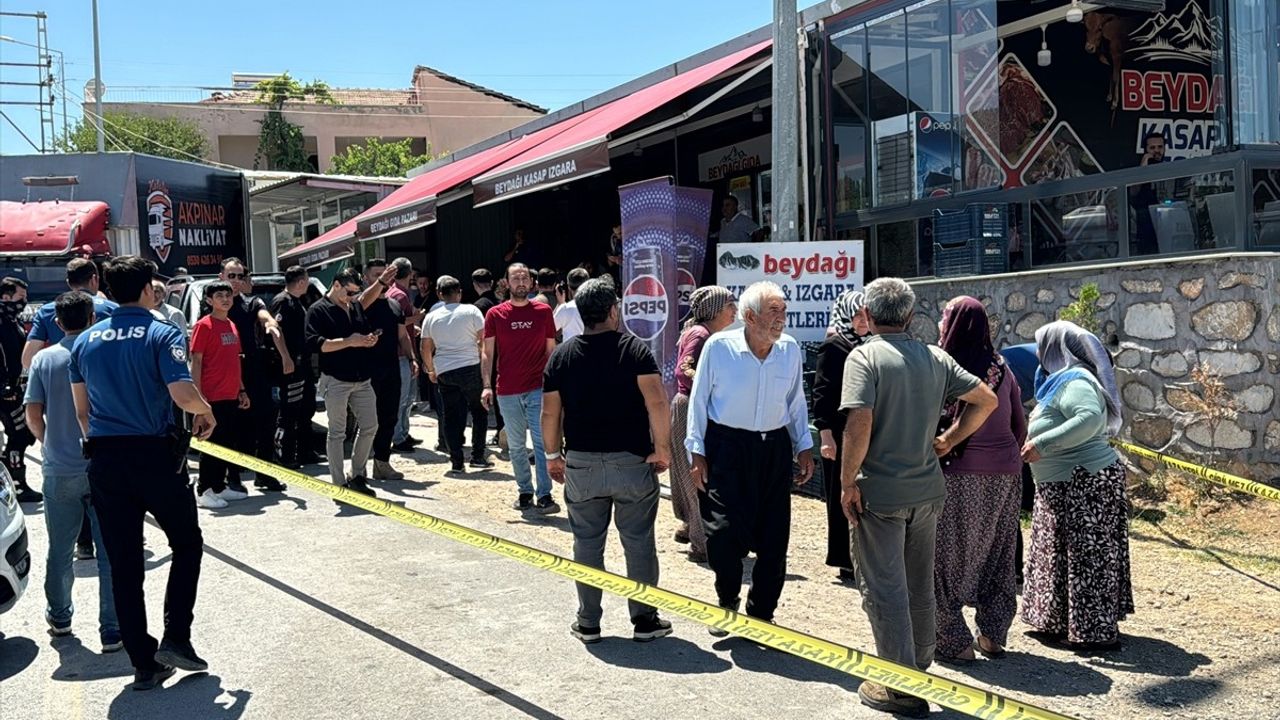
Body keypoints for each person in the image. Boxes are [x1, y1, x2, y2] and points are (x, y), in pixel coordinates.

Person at [837, 277, 998, 719]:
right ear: (910, 317)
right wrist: (948, 438)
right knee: (917, 582)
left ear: (867, 316)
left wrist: (847, 481)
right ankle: (919, 664)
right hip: (928, 491)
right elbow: (985, 399)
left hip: (880, 494)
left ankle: (901, 686)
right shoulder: (935, 357)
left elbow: (859, 424)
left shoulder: (864, 356)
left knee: (885, 589)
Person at [69, 255, 216, 690]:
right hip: (153, 454)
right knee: (187, 543)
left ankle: (143, 661)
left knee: (124, 563)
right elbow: (181, 391)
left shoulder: (85, 340)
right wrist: (205, 412)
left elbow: (81, 410)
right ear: (149, 289)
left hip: (106, 459)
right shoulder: (161, 331)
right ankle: (176, 637)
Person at [542, 278, 674, 643]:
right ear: (614, 311)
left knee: (586, 543)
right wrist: (662, 449)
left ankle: (588, 622)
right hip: (631, 461)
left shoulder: (562, 356)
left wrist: (553, 456)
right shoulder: (635, 350)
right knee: (639, 543)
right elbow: (658, 402)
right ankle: (645, 620)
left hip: (581, 463)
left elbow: (550, 414)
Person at [685, 281, 814, 627]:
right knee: (723, 534)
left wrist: (803, 445)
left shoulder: (789, 349)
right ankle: (727, 598)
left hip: (773, 449)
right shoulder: (718, 347)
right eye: (774, 311)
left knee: (774, 537)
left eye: (783, 311)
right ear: (749, 316)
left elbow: (795, 403)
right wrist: (696, 452)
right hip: (727, 447)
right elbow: (698, 401)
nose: (781, 319)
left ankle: (761, 615)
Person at [1021, 320, 1132, 652]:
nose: (1039, 352)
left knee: (1088, 557)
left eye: (1043, 345)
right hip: (1068, 483)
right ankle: (1058, 622)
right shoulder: (1059, 382)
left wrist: (1044, 444)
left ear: (1059, 350)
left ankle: (1093, 632)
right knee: (1062, 553)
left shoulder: (1077, 380)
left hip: (1084, 481)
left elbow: (1088, 420)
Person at [23, 291, 120, 652]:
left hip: (60, 467)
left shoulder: (45, 360)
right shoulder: (103, 352)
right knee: (111, 551)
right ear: (92, 317)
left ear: (58, 322)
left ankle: (60, 616)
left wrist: (49, 442)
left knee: (60, 549)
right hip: (104, 464)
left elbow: (33, 413)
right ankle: (111, 629)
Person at [932, 296, 1027, 663]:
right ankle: (992, 635)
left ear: (954, 324)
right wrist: (1005, 458)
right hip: (1005, 473)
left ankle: (954, 641)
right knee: (998, 554)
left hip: (958, 473)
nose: (941, 324)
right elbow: (1020, 423)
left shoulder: (946, 367)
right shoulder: (1002, 367)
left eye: (944, 317)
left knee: (947, 557)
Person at [481, 263, 559, 515]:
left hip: (538, 386)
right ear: (506, 283)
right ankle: (525, 491)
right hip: (507, 389)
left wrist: (554, 383)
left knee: (540, 442)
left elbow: (551, 350)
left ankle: (544, 495)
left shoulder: (544, 311)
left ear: (533, 282)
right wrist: (486, 385)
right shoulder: (495, 314)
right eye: (516, 278)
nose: (521, 282)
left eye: (525, 277)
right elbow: (487, 351)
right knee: (515, 445)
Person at [667, 286, 737, 565]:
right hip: (690, 407)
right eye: (729, 305)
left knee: (686, 471)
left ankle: (689, 526)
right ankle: (701, 542)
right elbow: (683, 368)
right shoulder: (701, 334)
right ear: (715, 310)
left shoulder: (708, 333)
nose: (734, 310)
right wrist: (712, 385)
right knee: (694, 472)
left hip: (692, 405)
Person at [305, 268, 381, 498]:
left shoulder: (355, 305)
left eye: (356, 293)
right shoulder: (317, 310)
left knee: (370, 426)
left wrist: (369, 340)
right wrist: (349, 342)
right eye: (349, 292)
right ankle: (339, 484)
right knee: (337, 433)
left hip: (362, 377)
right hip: (336, 379)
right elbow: (317, 345)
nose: (352, 298)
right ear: (336, 285)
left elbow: (361, 332)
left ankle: (357, 475)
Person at [220, 259, 289, 493]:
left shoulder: (252, 302)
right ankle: (233, 476)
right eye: (232, 276)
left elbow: (264, 315)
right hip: (227, 373)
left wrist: (270, 325)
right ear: (222, 277)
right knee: (232, 427)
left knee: (267, 422)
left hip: (254, 370)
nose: (236, 281)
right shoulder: (214, 306)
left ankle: (264, 474)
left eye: (240, 276)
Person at [812, 290, 867, 583]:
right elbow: (822, 392)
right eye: (857, 315)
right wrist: (826, 435)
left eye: (866, 316)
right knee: (839, 494)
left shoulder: (868, 345)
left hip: (861, 430)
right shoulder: (835, 345)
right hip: (839, 431)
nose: (861, 321)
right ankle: (844, 559)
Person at [190, 281, 251, 510]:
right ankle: (203, 490)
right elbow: (196, 361)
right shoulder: (204, 326)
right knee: (211, 443)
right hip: (210, 397)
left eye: (228, 295)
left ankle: (218, 485)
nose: (225, 299)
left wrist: (242, 389)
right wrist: (198, 399)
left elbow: (235, 360)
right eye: (219, 295)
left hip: (231, 394)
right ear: (209, 300)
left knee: (227, 442)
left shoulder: (232, 325)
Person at [422, 275, 490, 474]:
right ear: (460, 292)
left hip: (445, 369)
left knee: (451, 415)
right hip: (470, 367)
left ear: (439, 294)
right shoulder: (472, 311)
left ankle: (456, 461)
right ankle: (478, 456)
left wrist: (431, 370)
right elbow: (483, 340)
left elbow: (425, 347)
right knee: (479, 411)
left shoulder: (431, 316)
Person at [360, 260, 410, 481]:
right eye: (377, 275)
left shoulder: (394, 304)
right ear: (365, 278)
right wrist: (381, 283)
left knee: (389, 416)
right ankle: (359, 466)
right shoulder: (360, 302)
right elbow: (362, 301)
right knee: (367, 420)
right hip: (367, 370)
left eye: (386, 274)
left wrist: (412, 358)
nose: (384, 278)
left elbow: (402, 335)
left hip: (391, 367)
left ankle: (382, 462)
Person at [22, 258, 119, 368]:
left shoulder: (47, 311)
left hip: (61, 374)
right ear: (94, 279)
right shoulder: (112, 309)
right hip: (100, 375)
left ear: (68, 282)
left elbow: (27, 360)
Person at [271, 266, 320, 468]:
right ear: (301, 281)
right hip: (292, 365)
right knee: (289, 412)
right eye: (306, 280)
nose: (307, 284)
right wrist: (285, 358)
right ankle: (285, 454)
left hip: (305, 365)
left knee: (306, 409)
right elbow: (276, 331)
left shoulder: (297, 302)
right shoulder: (282, 301)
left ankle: (305, 451)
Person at [1, 276, 41, 503]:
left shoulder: (12, 319)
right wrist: (4, 385)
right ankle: (17, 483)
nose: (24, 302)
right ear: (5, 297)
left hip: (16, 387)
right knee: (19, 434)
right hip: (6, 391)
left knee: (22, 435)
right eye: (20, 298)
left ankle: (12, 479)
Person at [386, 258, 423, 450]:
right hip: (402, 353)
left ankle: (403, 432)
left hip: (403, 351)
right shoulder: (400, 295)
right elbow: (399, 322)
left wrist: (412, 325)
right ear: (410, 275)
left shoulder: (394, 292)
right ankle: (398, 437)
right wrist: (417, 318)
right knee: (403, 398)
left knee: (408, 398)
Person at [1129, 130, 1171, 257]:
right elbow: (1133, 192)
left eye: (1160, 147)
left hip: (1166, 223)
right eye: (1152, 148)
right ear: (1145, 150)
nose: (1156, 150)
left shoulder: (1170, 169)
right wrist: (1144, 167)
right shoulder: (1137, 169)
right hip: (1144, 225)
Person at [552, 268, 590, 342]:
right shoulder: (598, 306)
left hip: (571, 351)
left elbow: (550, 329)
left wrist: (560, 304)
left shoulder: (565, 308)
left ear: (568, 286)